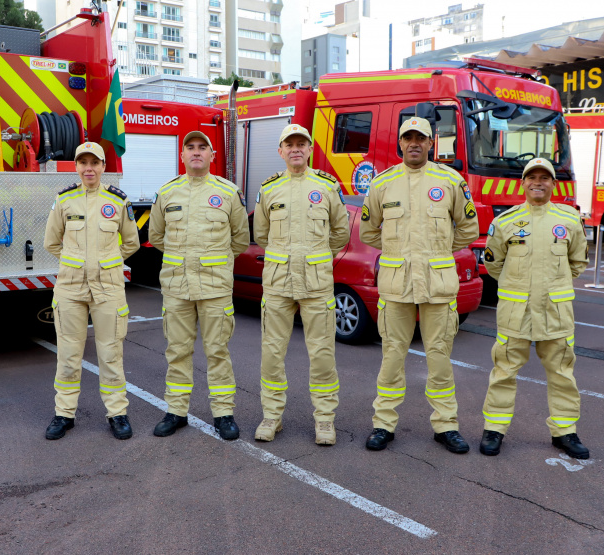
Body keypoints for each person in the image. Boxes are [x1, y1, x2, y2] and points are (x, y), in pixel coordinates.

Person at [359, 117, 479, 453]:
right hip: (397, 284)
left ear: (431, 142)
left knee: (439, 358)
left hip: (437, 284)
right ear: (400, 144)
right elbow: (369, 231)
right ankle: (383, 424)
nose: (414, 143)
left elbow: (469, 228)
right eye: (408, 138)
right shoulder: (383, 183)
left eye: (421, 138)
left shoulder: (451, 181)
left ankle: (446, 426)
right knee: (392, 357)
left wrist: (437, 252)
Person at [478, 157, 590, 459]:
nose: (537, 182)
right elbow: (493, 264)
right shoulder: (505, 222)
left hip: (555, 314)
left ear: (553, 183)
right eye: (532, 177)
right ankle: (494, 430)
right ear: (523, 183)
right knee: (503, 372)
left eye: (544, 178)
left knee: (562, 374)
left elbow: (577, 263)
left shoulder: (568, 220)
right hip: (516, 313)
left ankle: (565, 433)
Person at [252, 124, 351, 445]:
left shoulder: (326, 186)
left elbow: (340, 233)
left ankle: (324, 420)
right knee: (271, 353)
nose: (295, 148)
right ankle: (271, 416)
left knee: (322, 354)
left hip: (316, 284)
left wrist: (317, 257)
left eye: (301, 144)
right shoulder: (269, 189)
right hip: (278, 283)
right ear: (280, 151)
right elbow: (261, 235)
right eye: (289, 144)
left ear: (310, 149)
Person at [149, 131, 250, 440]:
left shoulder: (228, 193)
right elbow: (156, 237)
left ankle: (223, 414)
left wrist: (211, 261)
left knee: (218, 352)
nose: (196, 152)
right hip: (177, 286)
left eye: (202, 147)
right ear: (182, 155)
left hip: (214, 288)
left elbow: (240, 240)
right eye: (189, 147)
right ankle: (176, 412)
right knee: (177, 351)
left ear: (212, 155)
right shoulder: (167, 193)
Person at [43, 142, 140, 440]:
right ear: (76, 166)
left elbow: (131, 242)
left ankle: (117, 414)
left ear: (102, 167)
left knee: (111, 353)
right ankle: (64, 414)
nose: (89, 168)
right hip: (70, 288)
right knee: (69, 354)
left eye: (94, 163)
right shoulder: (64, 200)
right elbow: (52, 242)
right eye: (83, 162)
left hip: (108, 287)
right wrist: (77, 265)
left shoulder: (117, 200)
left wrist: (106, 264)